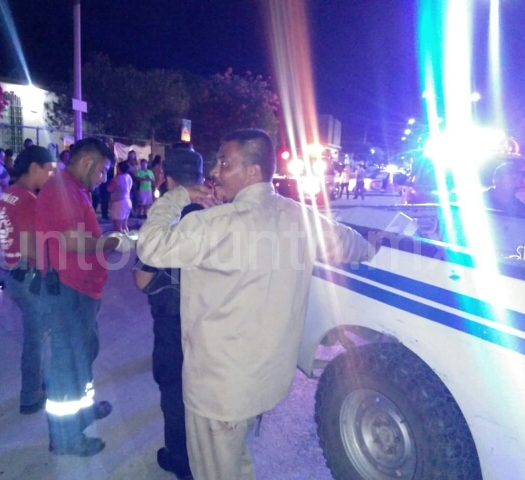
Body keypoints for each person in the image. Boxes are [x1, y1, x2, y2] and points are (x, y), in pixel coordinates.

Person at [137, 129, 376, 479]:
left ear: (252, 172)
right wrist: (381, 244)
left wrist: (176, 197)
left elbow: (150, 246)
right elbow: (354, 245)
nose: (215, 171)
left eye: (224, 162)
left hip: (219, 391)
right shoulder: (301, 217)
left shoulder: (212, 224)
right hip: (266, 381)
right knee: (236, 457)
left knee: (216, 470)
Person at [35, 138, 120, 457]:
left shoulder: (72, 188)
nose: (103, 178)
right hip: (68, 291)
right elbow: (73, 241)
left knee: (82, 354)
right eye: (102, 171)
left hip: (81, 290)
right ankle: (65, 438)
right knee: (66, 365)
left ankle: (83, 411)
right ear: (87, 163)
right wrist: (111, 243)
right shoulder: (61, 189)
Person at [134, 149, 205, 480]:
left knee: (175, 398)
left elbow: (141, 278)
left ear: (168, 179)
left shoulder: (168, 221)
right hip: (214, 325)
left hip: (173, 327)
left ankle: (181, 461)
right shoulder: (221, 214)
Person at [0, 146, 57, 414]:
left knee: (35, 337)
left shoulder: (7, 195)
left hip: (13, 273)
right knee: (37, 340)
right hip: (31, 277)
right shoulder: (27, 200)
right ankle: (31, 395)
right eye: (49, 171)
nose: (51, 176)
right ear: (35, 167)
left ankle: (37, 386)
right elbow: (32, 247)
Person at [107, 161, 133, 233]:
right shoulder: (129, 177)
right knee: (124, 225)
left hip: (119, 203)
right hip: (127, 201)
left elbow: (109, 188)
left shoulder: (118, 178)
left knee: (118, 227)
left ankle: (121, 243)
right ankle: (127, 241)